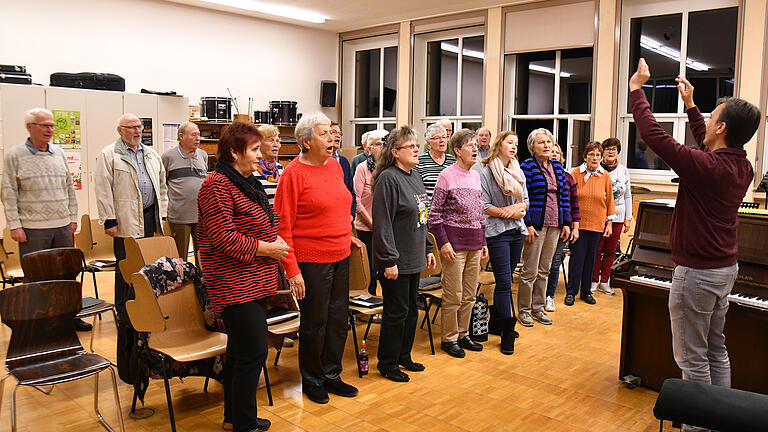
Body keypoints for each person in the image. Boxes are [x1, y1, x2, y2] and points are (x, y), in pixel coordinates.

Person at [630, 59, 760, 402]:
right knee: (716, 350)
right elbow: (707, 141)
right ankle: (720, 417)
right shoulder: (741, 166)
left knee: (691, 358)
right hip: (724, 270)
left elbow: (654, 137)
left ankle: (697, 424)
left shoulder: (706, 166)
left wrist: (636, 90)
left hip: (698, 274)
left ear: (722, 128)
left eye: (714, 116)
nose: (709, 120)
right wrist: (691, 107)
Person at [197, 121, 289, 432]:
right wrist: (268, 249)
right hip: (233, 283)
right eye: (253, 149)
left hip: (255, 280)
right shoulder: (216, 185)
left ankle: (234, 417)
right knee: (253, 352)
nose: (260, 154)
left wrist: (272, 245)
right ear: (235, 152)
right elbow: (224, 238)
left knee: (239, 352)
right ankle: (244, 423)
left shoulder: (248, 181)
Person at [274, 113, 363, 404]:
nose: (332, 139)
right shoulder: (293, 174)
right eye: (324, 134)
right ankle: (312, 379)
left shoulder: (336, 167)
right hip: (311, 258)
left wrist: (345, 233)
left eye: (332, 134)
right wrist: (292, 270)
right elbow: (282, 226)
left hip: (340, 253)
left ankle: (332, 374)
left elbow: (339, 206)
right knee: (316, 320)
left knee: (338, 318)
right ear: (305, 141)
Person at [1, 108, 89, 332]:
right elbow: (8, 191)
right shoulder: (15, 155)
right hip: (32, 229)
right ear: (30, 127)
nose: (50, 129)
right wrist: (15, 225)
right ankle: (36, 323)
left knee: (68, 274)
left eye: (52, 125)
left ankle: (68, 316)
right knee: (35, 277)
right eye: (44, 125)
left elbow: (69, 187)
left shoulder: (58, 153)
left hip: (62, 225)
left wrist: (72, 217)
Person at [371, 126, 436, 382]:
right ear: (396, 152)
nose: (417, 150)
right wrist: (388, 260)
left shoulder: (415, 175)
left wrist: (428, 248)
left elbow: (423, 215)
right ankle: (387, 363)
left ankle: (403, 356)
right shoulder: (388, 178)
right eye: (411, 147)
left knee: (410, 311)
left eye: (417, 145)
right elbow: (382, 222)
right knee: (395, 313)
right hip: (395, 261)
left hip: (414, 256)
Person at [95, 113, 167, 311]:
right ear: (120, 130)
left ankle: (143, 304)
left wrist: (162, 213)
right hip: (124, 218)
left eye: (139, 127)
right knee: (125, 265)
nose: (138, 131)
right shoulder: (109, 154)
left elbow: (162, 186)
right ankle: (123, 308)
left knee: (147, 263)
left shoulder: (152, 154)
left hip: (149, 216)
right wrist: (109, 219)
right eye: (132, 127)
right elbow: (103, 189)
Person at [429, 129, 488, 358]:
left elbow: (480, 212)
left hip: (475, 243)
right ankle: (449, 338)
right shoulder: (447, 176)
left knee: (470, 294)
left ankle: (464, 334)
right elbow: (434, 215)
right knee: (453, 294)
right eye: (470, 145)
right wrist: (443, 243)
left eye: (476, 145)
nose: (475, 149)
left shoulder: (475, 176)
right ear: (457, 150)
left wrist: (483, 240)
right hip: (453, 245)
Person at [479, 131, 528, 354]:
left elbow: (524, 201)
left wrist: (517, 210)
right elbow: (485, 205)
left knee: (505, 282)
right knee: (505, 281)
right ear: (499, 145)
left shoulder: (517, 169)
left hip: (517, 230)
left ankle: (498, 323)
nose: (514, 146)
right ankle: (508, 331)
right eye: (510, 142)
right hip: (496, 232)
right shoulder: (486, 170)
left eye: (516, 143)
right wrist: (509, 212)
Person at [519, 128, 571, 327]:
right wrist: (529, 224)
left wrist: (566, 222)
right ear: (532, 146)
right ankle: (524, 310)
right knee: (530, 270)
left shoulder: (557, 167)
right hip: (536, 226)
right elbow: (524, 197)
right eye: (542, 142)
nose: (547, 145)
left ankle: (538, 308)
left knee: (545, 270)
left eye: (549, 141)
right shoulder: (528, 166)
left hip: (555, 225)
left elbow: (563, 197)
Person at [565, 142, 615, 306]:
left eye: (598, 155)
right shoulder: (575, 173)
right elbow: (569, 199)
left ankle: (586, 292)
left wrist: (609, 224)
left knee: (591, 260)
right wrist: (571, 223)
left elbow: (609, 201)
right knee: (576, 259)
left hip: (597, 224)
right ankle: (571, 292)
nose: (594, 158)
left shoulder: (605, 176)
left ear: (601, 158)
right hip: (578, 226)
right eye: (591, 154)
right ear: (585, 156)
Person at [161, 122, 207, 265]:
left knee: (203, 255)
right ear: (181, 136)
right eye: (193, 135)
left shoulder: (203, 155)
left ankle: (202, 284)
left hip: (201, 215)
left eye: (198, 134)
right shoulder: (168, 156)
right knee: (180, 258)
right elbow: (162, 185)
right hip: (179, 215)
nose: (197, 138)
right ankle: (182, 285)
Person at [591, 137, 632, 295]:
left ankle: (605, 281)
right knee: (597, 249)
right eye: (607, 149)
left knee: (610, 251)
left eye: (614, 149)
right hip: (599, 216)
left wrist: (628, 218)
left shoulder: (623, 170)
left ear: (618, 152)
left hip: (618, 216)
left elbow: (628, 195)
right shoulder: (597, 169)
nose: (610, 152)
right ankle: (594, 280)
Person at [544, 144, 580, 312]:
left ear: (561, 157)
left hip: (561, 227)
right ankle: (537, 296)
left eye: (557, 153)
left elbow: (574, 205)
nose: (554, 155)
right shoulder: (541, 174)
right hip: (543, 225)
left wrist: (573, 226)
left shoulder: (568, 178)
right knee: (540, 263)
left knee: (555, 262)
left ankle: (549, 296)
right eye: (551, 152)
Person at [353, 129, 387, 295]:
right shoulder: (362, 168)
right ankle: (369, 304)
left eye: (384, 144)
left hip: (387, 229)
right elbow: (356, 200)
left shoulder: (391, 169)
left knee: (387, 270)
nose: (382, 147)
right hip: (367, 228)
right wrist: (372, 224)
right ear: (369, 148)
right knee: (371, 271)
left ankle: (386, 305)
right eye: (378, 144)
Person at [416, 124, 455, 201]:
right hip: (429, 209)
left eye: (444, 137)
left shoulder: (453, 161)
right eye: (437, 138)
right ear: (429, 144)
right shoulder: (419, 162)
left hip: (450, 210)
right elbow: (416, 190)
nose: (442, 140)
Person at [330, 122, 356, 218]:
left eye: (340, 134)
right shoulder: (319, 161)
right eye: (333, 132)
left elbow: (350, 191)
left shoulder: (344, 162)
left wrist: (351, 215)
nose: (338, 136)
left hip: (344, 217)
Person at [253, 124, 283, 205]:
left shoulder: (280, 168)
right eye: (271, 140)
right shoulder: (252, 168)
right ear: (259, 144)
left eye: (277, 141)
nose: (276, 145)